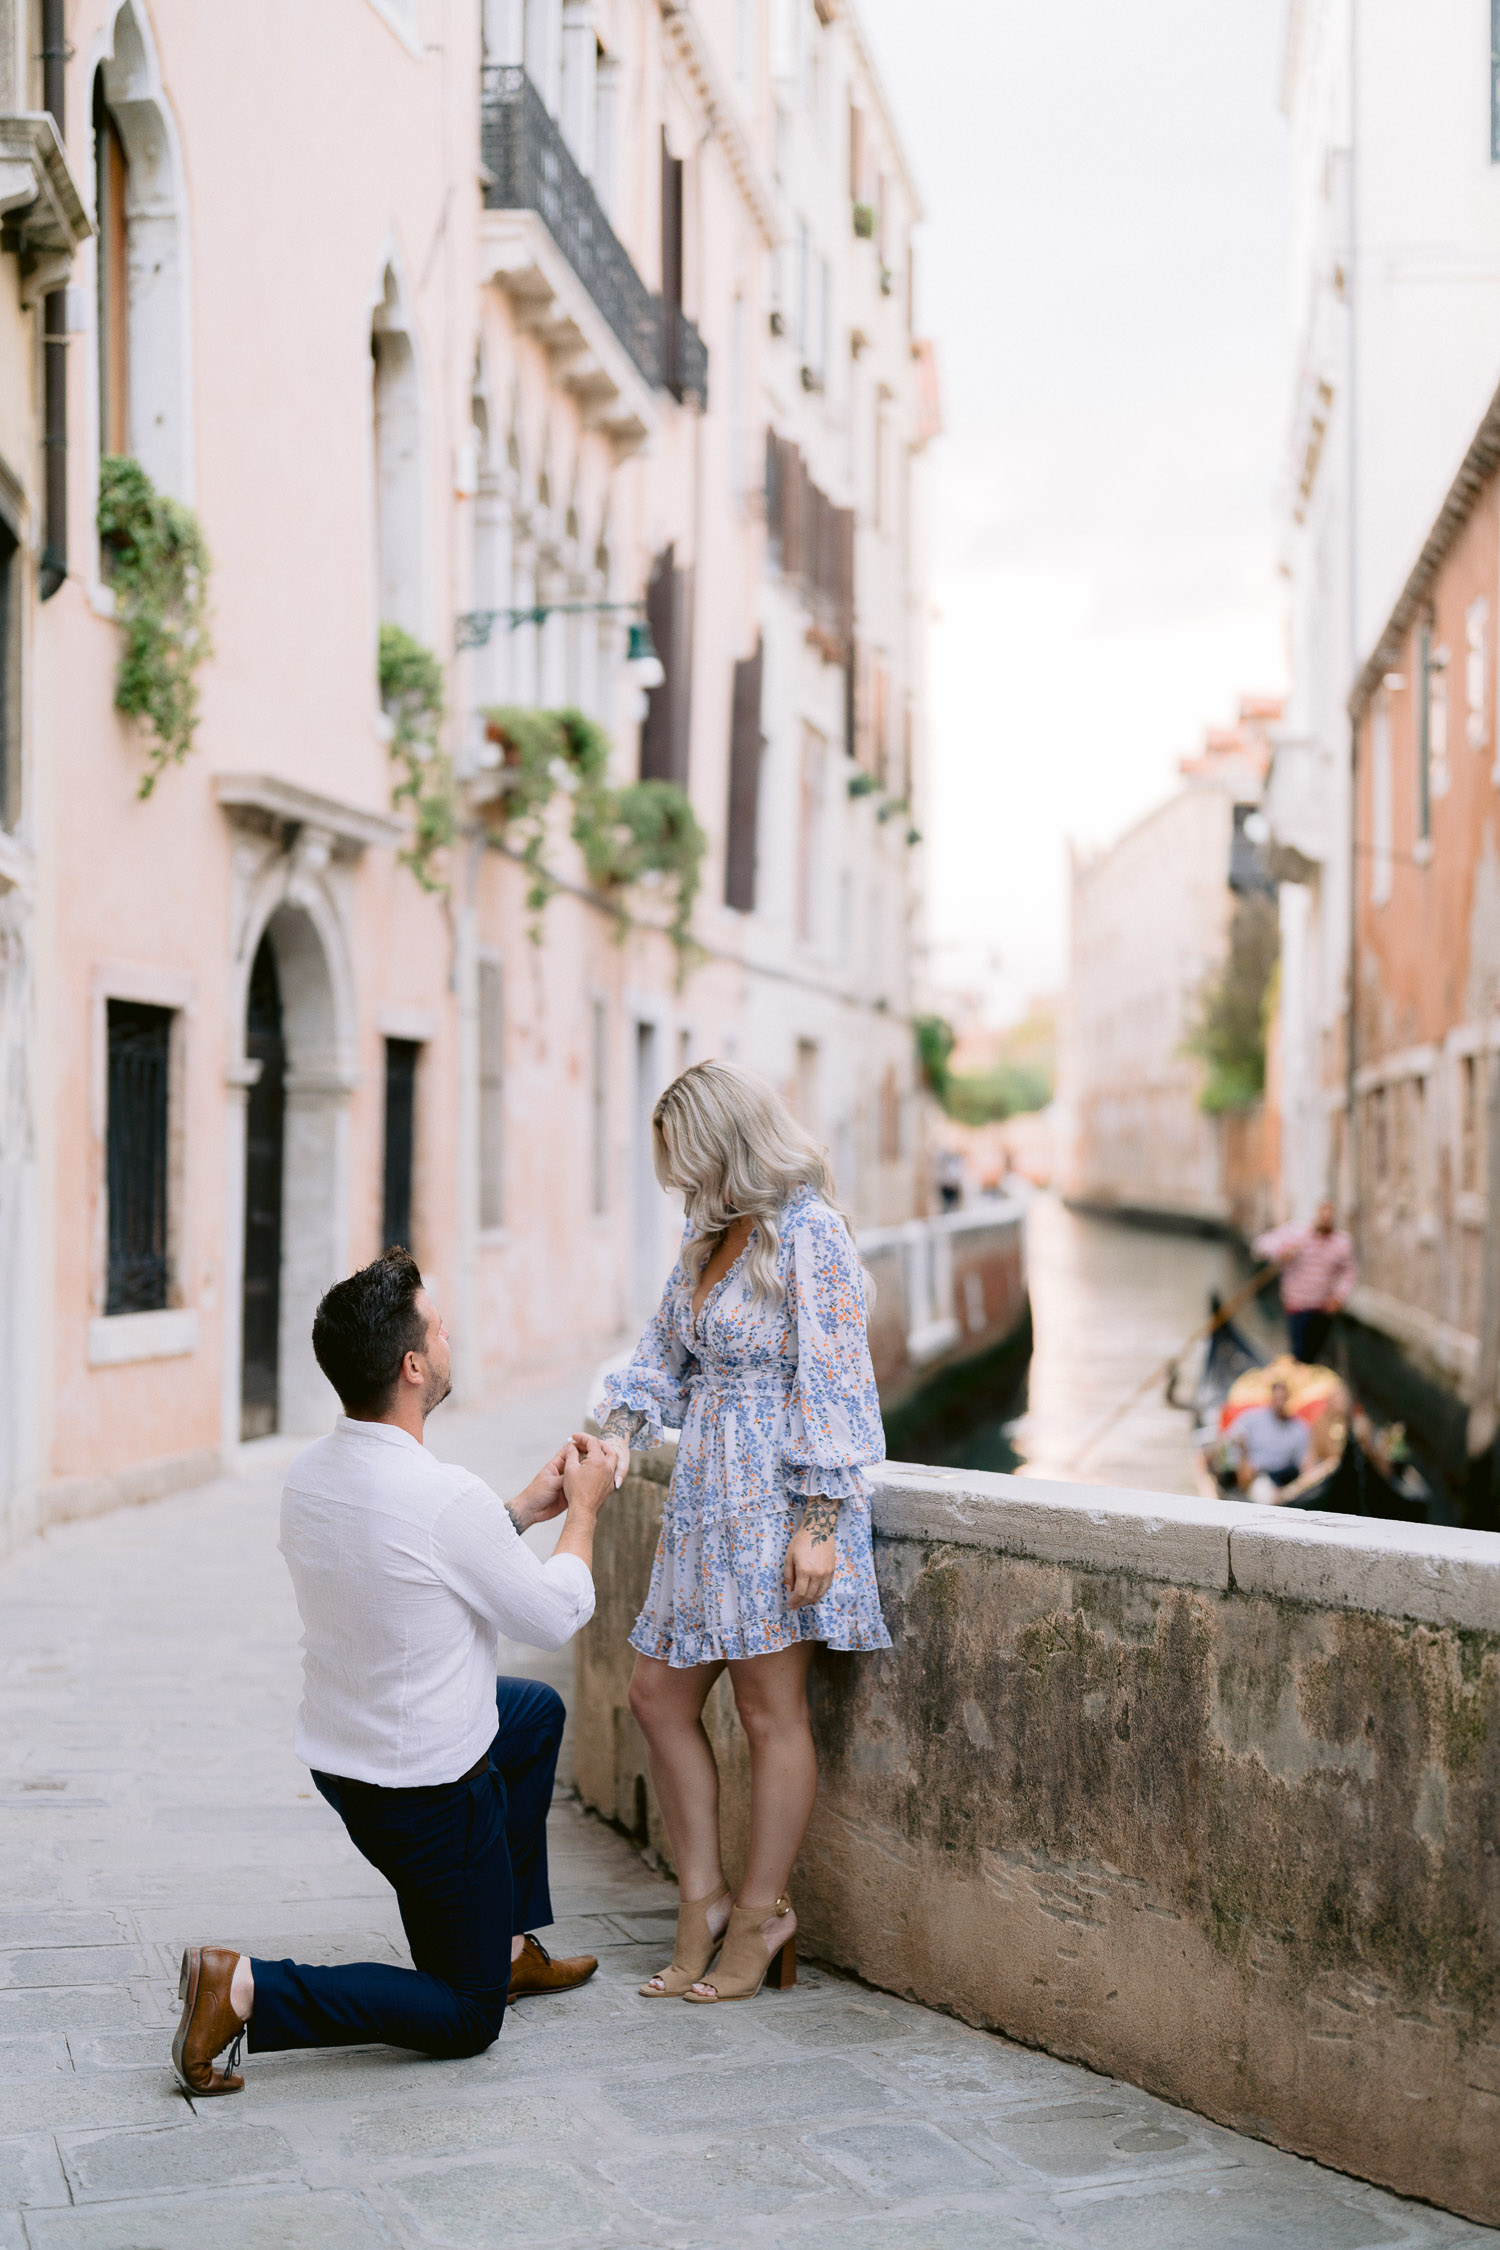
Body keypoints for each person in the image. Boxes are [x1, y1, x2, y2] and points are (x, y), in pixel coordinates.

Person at [171, 1248, 616, 2096]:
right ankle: (244, 1988)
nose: (449, 1335)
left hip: (346, 1761)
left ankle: (511, 1946)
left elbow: (414, 1558)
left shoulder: (309, 1475)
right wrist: (583, 1511)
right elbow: (556, 1612)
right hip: (425, 1796)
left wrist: (521, 1510)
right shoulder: (440, 1497)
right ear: (413, 1367)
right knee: (463, 2014)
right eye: (438, 1327)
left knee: (531, 1715)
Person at [597, 1061, 890, 2006]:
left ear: (731, 1145)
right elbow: (660, 1357)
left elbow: (839, 1382)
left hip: (774, 1502)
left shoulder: (812, 1234)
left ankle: (764, 1912)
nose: (681, 1184)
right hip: (702, 1503)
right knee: (656, 1695)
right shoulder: (706, 1231)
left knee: (770, 1714)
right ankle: (704, 1899)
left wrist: (819, 1522)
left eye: (689, 1163)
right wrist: (610, 1438)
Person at [1254, 1200, 1356, 1364]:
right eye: (1323, 1217)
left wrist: (1339, 1297)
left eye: (1329, 1218)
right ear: (1316, 1216)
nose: (1325, 1221)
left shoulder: (1342, 1242)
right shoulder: (1297, 1234)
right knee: (1298, 1353)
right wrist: (1281, 1252)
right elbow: (1261, 1246)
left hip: (1323, 1308)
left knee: (1315, 1353)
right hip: (1297, 1306)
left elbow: (1349, 1272)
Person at [1229, 1378, 1310, 1500]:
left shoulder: (1299, 1428)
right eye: (1277, 1399)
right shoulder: (1252, 1419)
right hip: (1258, 1477)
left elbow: (1303, 1463)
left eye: (1283, 1399)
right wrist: (1243, 1461)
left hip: (1285, 1480)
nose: (1280, 1404)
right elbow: (1233, 1438)